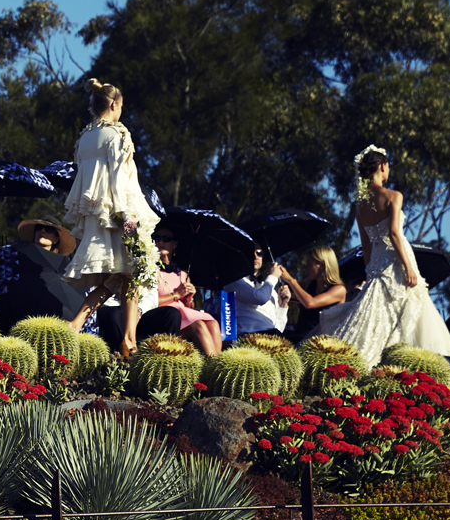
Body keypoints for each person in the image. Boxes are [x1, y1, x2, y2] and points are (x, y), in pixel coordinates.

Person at [305, 146, 450, 367]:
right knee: (403, 309)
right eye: (388, 166)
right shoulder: (393, 196)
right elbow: (394, 233)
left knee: (374, 313)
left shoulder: (360, 205)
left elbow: (366, 245)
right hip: (396, 261)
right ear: (383, 166)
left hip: (376, 264)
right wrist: (408, 267)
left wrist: (371, 269)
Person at [62, 79, 159, 356]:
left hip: (96, 215)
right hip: (118, 214)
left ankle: (78, 323)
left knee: (119, 275)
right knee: (133, 271)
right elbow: (119, 179)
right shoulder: (117, 135)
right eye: (122, 106)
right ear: (114, 104)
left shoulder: (84, 139)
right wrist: (128, 221)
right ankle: (129, 341)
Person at [0, 218, 86, 336]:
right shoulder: (16, 257)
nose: (42, 231)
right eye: (39, 228)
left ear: (56, 239)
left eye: (49, 230)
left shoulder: (66, 268)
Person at [155, 227, 223, 357]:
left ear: (175, 244)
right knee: (198, 325)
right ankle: (211, 366)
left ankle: (216, 366)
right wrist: (176, 295)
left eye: (167, 238)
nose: (161, 242)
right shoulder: (149, 272)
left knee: (213, 325)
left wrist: (189, 297)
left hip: (184, 317)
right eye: (157, 238)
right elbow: (147, 303)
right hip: (165, 319)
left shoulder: (183, 274)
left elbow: (189, 307)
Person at [275, 246, 348, 342]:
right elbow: (294, 286)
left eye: (309, 264)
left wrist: (291, 280)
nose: (305, 268)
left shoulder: (339, 290)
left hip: (319, 343)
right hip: (299, 336)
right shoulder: (310, 282)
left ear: (322, 265)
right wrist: (279, 273)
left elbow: (310, 303)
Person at [224, 244, 288, 336]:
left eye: (259, 253)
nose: (255, 256)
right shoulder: (234, 282)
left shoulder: (269, 288)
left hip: (272, 338)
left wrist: (283, 305)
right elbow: (260, 298)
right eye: (250, 252)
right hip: (248, 338)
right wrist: (273, 277)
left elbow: (279, 328)